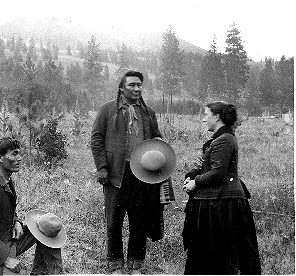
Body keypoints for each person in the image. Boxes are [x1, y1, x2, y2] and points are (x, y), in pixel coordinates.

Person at [91, 71, 163, 274]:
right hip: (115, 175)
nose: (136, 89)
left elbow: (156, 137)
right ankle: (115, 266)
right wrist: (102, 168)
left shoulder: (148, 113)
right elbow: (96, 140)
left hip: (142, 175)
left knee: (139, 222)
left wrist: (159, 146)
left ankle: (135, 265)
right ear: (121, 88)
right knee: (114, 221)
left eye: (139, 85)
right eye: (131, 85)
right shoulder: (107, 110)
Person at [0, 137, 65, 275]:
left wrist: (16, 221)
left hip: (8, 239)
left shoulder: (6, 180)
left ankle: (44, 272)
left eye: (19, 153)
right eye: (14, 154)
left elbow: (8, 209)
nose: (20, 158)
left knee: (48, 226)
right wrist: (6, 259)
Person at [182, 101, 261, 274]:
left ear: (217, 116)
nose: (204, 119)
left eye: (206, 115)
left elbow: (218, 173)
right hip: (217, 200)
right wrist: (192, 176)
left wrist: (196, 182)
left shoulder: (224, 140)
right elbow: (210, 168)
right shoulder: (221, 139)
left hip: (222, 203)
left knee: (220, 250)